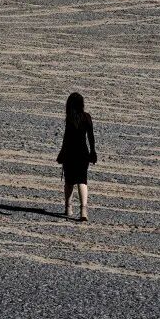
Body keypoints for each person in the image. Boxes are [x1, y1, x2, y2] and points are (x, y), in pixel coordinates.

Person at [56, 91, 97, 222]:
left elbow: (66, 138)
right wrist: (93, 152)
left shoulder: (70, 118)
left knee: (69, 181)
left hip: (70, 153)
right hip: (83, 153)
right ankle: (83, 210)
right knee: (82, 181)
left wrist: (62, 153)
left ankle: (68, 207)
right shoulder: (87, 117)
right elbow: (91, 137)